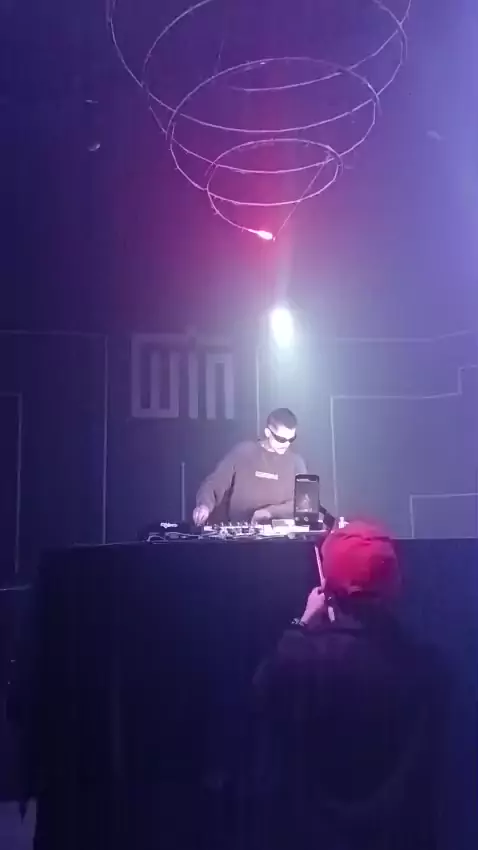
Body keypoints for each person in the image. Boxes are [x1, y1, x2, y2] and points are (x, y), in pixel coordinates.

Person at [247, 521, 446, 850]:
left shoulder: (301, 659)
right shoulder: (429, 665)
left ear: (327, 590)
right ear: (396, 585)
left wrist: (302, 624)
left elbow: (262, 690)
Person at [193, 408, 306, 525]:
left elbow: (304, 504)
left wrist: (270, 512)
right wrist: (204, 505)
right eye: (281, 439)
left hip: (282, 534)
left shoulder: (296, 462)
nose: (287, 444)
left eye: (291, 439)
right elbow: (214, 483)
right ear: (268, 433)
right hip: (242, 531)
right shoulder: (244, 453)